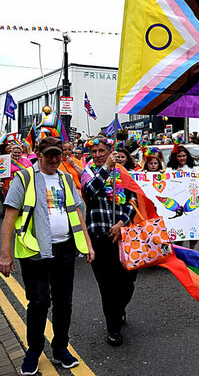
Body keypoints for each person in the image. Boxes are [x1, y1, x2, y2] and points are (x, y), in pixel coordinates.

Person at [0, 137, 95, 374]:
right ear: (38, 155)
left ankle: (60, 348)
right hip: (34, 251)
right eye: (49, 155)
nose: (54, 159)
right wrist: (5, 254)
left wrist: (88, 245)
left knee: (64, 302)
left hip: (64, 248)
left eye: (58, 155)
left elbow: (77, 213)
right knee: (39, 301)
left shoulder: (65, 178)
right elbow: (10, 216)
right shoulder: (23, 178)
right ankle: (33, 351)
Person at [82, 137, 138, 347]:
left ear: (110, 151)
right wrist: (106, 167)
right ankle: (113, 328)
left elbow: (133, 200)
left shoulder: (123, 174)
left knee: (127, 282)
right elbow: (90, 191)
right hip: (99, 238)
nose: (97, 155)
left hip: (123, 237)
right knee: (107, 286)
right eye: (94, 151)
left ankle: (119, 308)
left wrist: (122, 222)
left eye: (102, 151)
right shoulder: (87, 172)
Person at [166, 144, 199, 249]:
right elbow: (166, 184)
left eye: (184, 156)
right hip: (177, 203)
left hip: (192, 202)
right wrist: (174, 176)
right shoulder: (170, 169)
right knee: (179, 228)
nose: (182, 158)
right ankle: (181, 252)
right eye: (179, 156)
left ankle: (191, 251)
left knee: (194, 226)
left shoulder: (193, 168)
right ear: (175, 157)